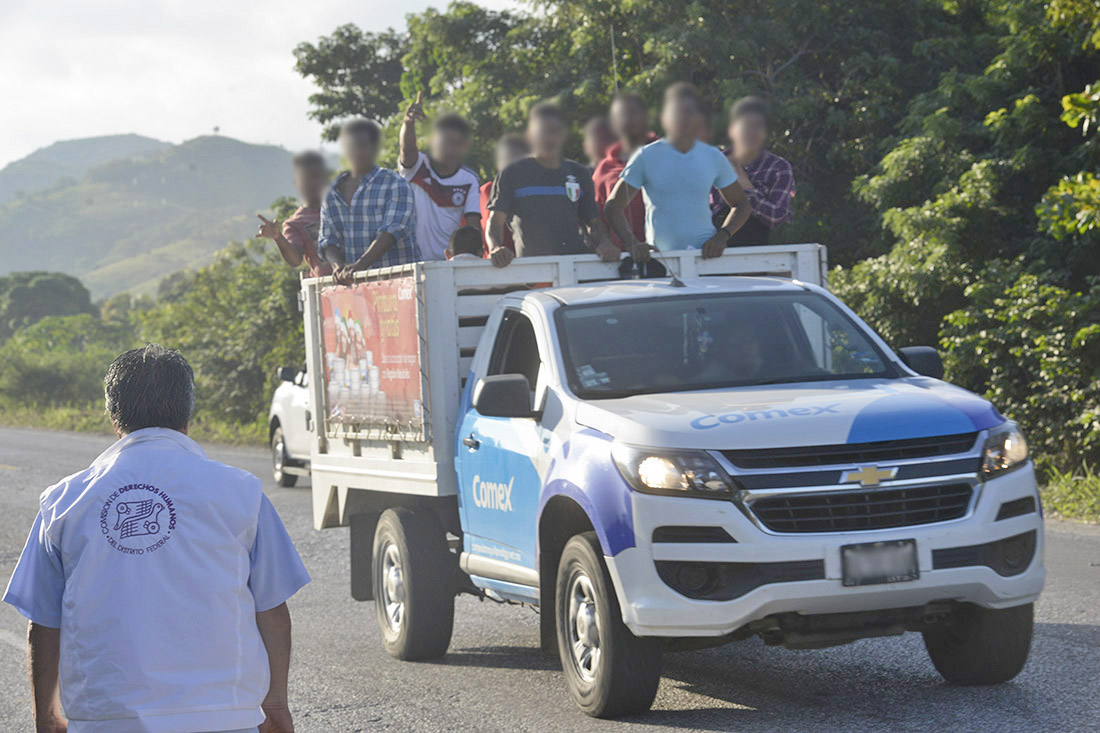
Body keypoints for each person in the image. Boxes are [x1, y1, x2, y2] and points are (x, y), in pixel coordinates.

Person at [2, 345, 310, 733]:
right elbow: (272, 612)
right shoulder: (242, 492)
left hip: (105, 720)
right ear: (187, 416)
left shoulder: (64, 500)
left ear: (115, 417)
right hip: (224, 717)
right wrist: (276, 704)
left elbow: (43, 623)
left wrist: (46, 716)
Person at [604, 82, 752, 261]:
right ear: (665, 118)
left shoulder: (713, 156)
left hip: (705, 259)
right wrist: (631, 243)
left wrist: (722, 236)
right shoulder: (646, 156)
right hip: (661, 262)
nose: (684, 119)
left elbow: (741, 204)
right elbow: (613, 205)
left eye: (690, 113)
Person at [486, 102, 620, 267]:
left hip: (576, 270)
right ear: (530, 136)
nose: (550, 138)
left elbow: (593, 223)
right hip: (532, 273)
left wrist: (605, 242)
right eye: (543, 132)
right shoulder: (512, 173)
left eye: (555, 132)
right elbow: (494, 222)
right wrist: (495, 247)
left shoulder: (579, 173)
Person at [319, 118, 420, 284]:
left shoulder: (395, 184)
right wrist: (338, 267)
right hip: (358, 292)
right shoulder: (332, 192)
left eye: (363, 145)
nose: (357, 151)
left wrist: (360, 266)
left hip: (399, 288)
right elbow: (328, 240)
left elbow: (391, 232)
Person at [398, 92, 481, 261]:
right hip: (412, 261)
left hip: (448, 263)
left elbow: (473, 227)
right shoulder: (417, 167)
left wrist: (474, 258)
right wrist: (408, 122)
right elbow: (407, 148)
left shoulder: (468, 179)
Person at [710, 96, 796, 245]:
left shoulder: (779, 167)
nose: (752, 132)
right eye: (746, 126)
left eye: (758, 126)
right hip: (710, 252)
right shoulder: (712, 163)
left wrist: (744, 186)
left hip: (758, 253)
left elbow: (776, 216)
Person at [593, 93, 657, 250]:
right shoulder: (604, 169)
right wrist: (605, 243)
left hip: (670, 255)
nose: (627, 120)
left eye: (633, 113)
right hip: (624, 261)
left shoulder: (668, 156)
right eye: (621, 115)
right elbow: (597, 219)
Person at [256, 150, 333, 277]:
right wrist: (278, 238)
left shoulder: (341, 209)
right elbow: (295, 260)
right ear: (297, 184)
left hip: (361, 278)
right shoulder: (295, 223)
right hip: (327, 288)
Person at [479, 133, 530, 255]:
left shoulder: (533, 192)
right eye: (507, 159)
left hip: (527, 263)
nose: (513, 166)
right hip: (493, 265)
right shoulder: (485, 191)